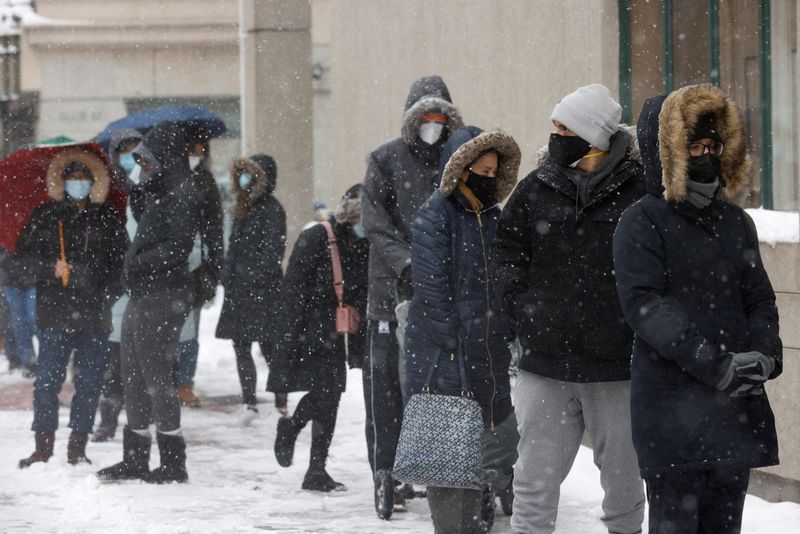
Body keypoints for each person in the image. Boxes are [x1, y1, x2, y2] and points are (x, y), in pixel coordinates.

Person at [613, 84, 782, 534]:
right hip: (672, 418)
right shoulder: (642, 221)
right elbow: (645, 306)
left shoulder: (735, 222)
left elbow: (759, 298)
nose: (705, 156)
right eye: (695, 147)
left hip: (735, 414)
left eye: (712, 146)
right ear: (670, 153)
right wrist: (712, 363)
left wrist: (765, 354)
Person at [494, 84, 646, 534]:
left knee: (623, 485)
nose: (555, 136)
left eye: (565, 127)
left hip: (617, 367)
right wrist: (522, 307)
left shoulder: (639, 192)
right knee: (533, 482)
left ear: (593, 134)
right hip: (546, 365)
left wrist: (629, 322)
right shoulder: (536, 188)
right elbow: (505, 253)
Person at [404, 127, 520, 533]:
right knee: (447, 451)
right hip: (444, 357)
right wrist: (455, 343)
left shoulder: (491, 218)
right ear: (460, 169)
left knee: (479, 451)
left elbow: (501, 283)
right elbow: (432, 290)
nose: (488, 178)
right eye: (480, 170)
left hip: (483, 351)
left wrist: (499, 333)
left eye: (493, 171)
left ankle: (470, 522)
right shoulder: (436, 215)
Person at [361, 74, 463, 518]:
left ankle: (451, 467)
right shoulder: (385, 160)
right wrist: (409, 263)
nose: (432, 124)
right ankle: (387, 468)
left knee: (447, 388)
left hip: (448, 298)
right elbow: (376, 222)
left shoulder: (461, 160)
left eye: (440, 117)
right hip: (391, 296)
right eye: (425, 117)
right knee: (385, 390)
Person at [97, 121, 200, 484]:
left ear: (169, 158)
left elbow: (177, 247)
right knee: (132, 375)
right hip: (143, 292)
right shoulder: (156, 191)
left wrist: (134, 265)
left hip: (165, 293)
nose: (146, 166)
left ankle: (173, 461)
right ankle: (135, 456)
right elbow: (147, 233)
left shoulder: (183, 193)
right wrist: (141, 198)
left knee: (156, 376)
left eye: (152, 159)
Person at [15, 149, 128, 468]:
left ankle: (78, 448)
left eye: (84, 179)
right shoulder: (45, 215)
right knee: (47, 383)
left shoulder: (106, 217)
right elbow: (18, 264)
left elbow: (122, 265)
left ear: (93, 182)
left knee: (90, 384)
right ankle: (43, 447)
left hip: (95, 314)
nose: (78, 184)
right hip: (54, 314)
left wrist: (102, 288)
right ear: (62, 182)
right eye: (72, 178)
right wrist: (49, 268)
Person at [269, 184, 369, 492]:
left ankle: (314, 467)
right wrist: (287, 339)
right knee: (327, 393)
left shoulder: (365, 245)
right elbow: (292, 290)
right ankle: (297, 437)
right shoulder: (318, 237)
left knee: (331, 398)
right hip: (308, 331)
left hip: (337, 333)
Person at [215, 154, 286, 421]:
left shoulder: (272, 210)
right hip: (239, 291)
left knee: (269, 346)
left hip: (262, 291)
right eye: (241, 173)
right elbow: (233, 246)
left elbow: (272, 254)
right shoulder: (242, 207)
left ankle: (281, 400)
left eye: (250, 174)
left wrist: (248, 276)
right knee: (241, 346)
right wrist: (227, 274)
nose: (244, 179)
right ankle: (249, 401)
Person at [93, 128, 143, 443]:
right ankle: (108, 420)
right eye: (123, 151)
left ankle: (140, 418)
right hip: (116, 288)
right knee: (112, 363)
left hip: (144, 283)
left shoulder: (151, 188)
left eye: (134, 150)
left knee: (141, 360)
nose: (129, 157)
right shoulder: (107, 193)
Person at [175, 128, 225, 408]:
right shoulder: (167, 179)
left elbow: (215, 227)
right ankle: (169, 380)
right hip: (170, 264)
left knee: (190, 328)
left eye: (200, 148)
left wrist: (214, 264)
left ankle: (184, 382)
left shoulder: (206, 182)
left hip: (197, 266)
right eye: (191, 148)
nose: (196, 154)